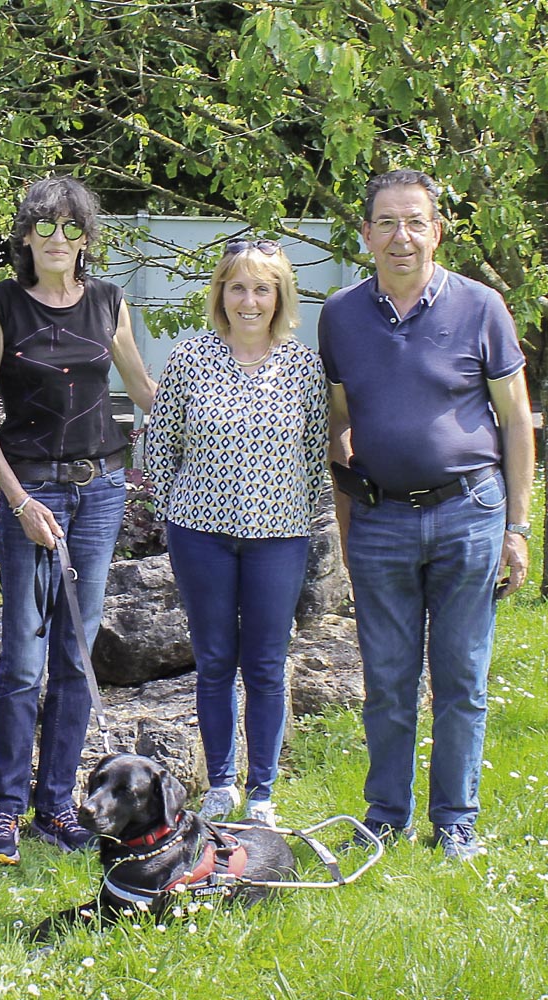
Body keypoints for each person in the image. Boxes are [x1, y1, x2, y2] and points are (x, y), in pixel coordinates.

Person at [318, 169, 535, 860]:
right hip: (381, 520)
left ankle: (456, 823)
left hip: (469, 513)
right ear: (366, 235)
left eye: (415, 222)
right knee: (386, 681)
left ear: (437, 230)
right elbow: (339, 424)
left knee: (462, 679)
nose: (401, 237)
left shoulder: (481, 307)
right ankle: (385, 817)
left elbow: (515, 422)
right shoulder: (341, 316)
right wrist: (351, 526)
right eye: (386, 223)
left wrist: (519, 527)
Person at [0, 176, 156, 863]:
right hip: (32, 495)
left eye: (71, 227)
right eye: (44, 227)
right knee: (23, 657)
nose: (57, 240)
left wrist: (225, 405)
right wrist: (18, 502)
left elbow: (143, 390)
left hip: (101, 490)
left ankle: (55, 808)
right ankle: (3, 812)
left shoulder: (108, 302)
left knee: (77, 653)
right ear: (24, 237)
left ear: (86, 237)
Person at [146, 239, 328, 826]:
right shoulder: (190, 356)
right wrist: (179, 508)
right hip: (200, 534)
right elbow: (160, 445)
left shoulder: (303, 366)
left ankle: (264, 791)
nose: (249, 300)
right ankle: (221, 781)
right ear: (221, 294)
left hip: (279, 535)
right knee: (216, 659)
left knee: (268, 664)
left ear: (280, 297)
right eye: (238, 287)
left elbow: (314, 453)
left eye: (262, 288)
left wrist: (284, 509)